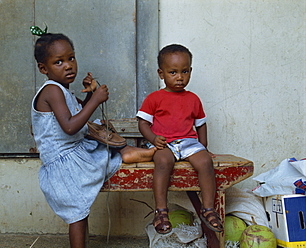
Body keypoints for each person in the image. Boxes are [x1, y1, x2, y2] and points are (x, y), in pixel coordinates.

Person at [30, 31, 156, 248]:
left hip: (73, 155)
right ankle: (126, 152)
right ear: (44, 68)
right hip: (64, 162)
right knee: (77, 214)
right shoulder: (51, 91)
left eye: (71, 58)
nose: (68, 65)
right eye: (58, 62)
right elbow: (70, 126)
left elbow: (79, 113)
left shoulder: (63, 91)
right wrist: (96, 101)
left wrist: (90, 94)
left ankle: (126, 151)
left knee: (81, 207)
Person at [136, 44, 223, 234]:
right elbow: (142, 123)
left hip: (188, 142)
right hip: (163, 143)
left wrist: (203, 146)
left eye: (184, 71)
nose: (180, 77)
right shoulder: (154, 98)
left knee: (205, 162)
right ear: (161, 73)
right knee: (163, 161)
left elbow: (201, 124)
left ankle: (208, 209)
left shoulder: (193, 99)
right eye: (173, 72)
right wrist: (153, 138)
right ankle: (161, 211)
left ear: (190, 71)